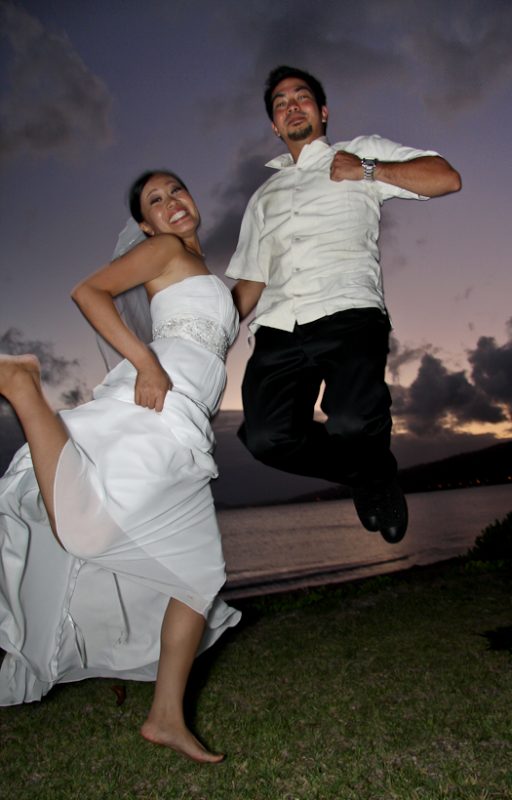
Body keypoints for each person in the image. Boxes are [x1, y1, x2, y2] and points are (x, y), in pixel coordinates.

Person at [0, 170, 241, 763]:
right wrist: (145, 363)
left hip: (187, 424)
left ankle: (165, 717)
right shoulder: (161, 251)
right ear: (145, 225)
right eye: (155, 201)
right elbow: (88, 292)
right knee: (87, 530)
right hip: (156, 404)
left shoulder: (210, 277)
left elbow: (248, 299)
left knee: (200, 576)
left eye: (178, 190)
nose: (172, 202)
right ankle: (25, 386)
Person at [226, 65, 461, 543]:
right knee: (266, 439)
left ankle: (370, 466)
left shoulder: (361, 150)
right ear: (274, 125)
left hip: (347, 309)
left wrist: (367, 170)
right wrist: (203, 339)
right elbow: (251, 280)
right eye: (281, 103)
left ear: (323, 110)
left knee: (354, 421)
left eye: (302, 96)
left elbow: (445, 178)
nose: (292, 106)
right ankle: (370, 474)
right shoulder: (262, 197)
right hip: (277, 325)